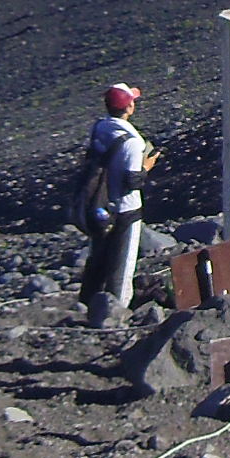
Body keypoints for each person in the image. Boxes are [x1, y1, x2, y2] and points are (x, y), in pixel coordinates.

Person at [75, 83, 158, 328]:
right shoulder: (133, 141)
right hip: (125, 209)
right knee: (122, 266)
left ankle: (88, 304)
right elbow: (132, 181)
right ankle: (117, 314)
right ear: (129, 106)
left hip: (98, 206)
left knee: (98, 259)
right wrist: (147, 166)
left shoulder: (100, 128)